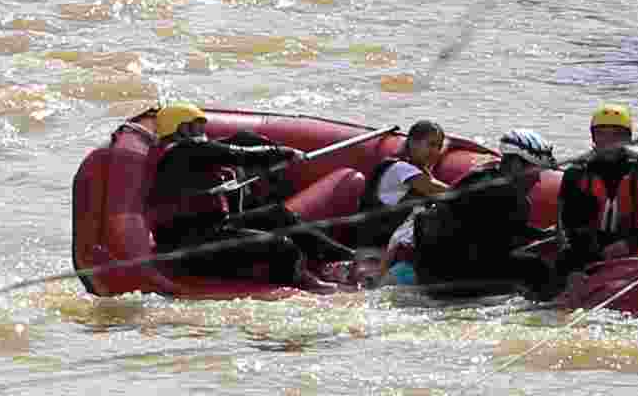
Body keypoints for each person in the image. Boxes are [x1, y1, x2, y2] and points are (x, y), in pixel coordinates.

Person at [146, 102, 346, 292]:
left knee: (276, 214)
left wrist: (255, 141)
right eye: (198, 128)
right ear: (183, 130)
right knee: (284, 248)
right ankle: (299, 287)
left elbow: (231, 144)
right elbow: (240, 154)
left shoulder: (183, 154)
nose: (204, 133)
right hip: (188, 244)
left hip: (210, 228)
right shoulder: (184, 152)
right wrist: (286, 152)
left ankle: (342, 257)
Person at [404, 128, 558, 294]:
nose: (537, 179)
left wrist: (542, 235)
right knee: (535, 266)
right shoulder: (508, 196)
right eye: (535, 172)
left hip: (431, 273)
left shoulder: (479, 177)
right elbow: (506, 241)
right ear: (516, 165)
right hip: (456, 279)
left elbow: (499, 229)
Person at [553, 103, 638, 283]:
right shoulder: (576, 172)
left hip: (630, 243)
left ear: (627, 138)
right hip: (587, 248)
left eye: (616, 135)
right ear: (594, 138)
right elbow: (563, 223)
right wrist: (570, 261)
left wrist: (630, 243)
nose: (608, 141)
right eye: (602, 134)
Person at [354, 119, 450, 248]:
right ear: (412, 142)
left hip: (393, 242)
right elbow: (443, 191)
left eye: (438, 147)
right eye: (431, 145)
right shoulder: (401, 169)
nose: (435, 151)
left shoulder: (416, 167)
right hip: (376, 245)